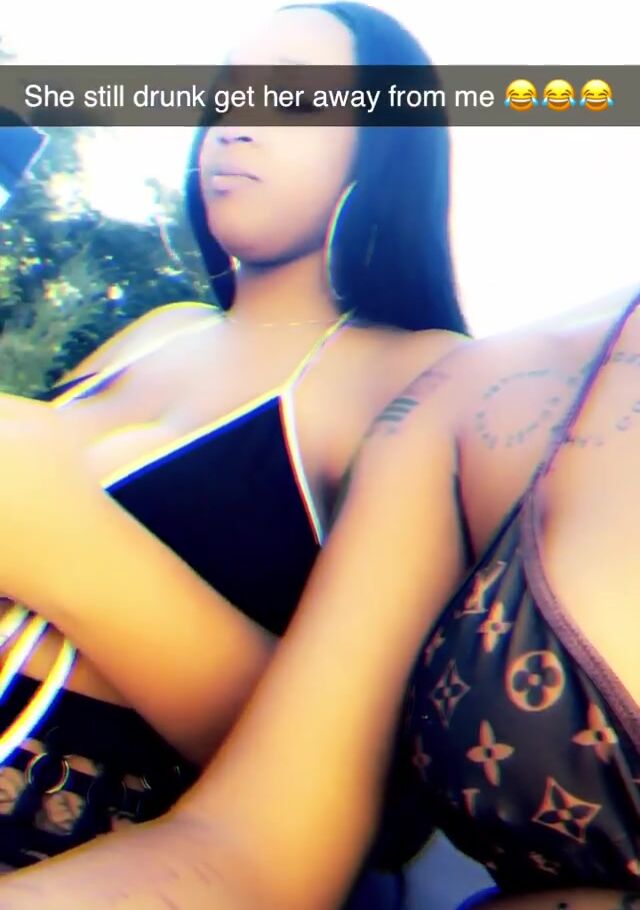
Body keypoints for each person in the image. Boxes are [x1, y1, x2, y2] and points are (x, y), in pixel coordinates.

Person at [0, 1, 466, 901]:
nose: (236, 122)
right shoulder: (159, 330)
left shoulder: (419, 376)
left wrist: (68, 553)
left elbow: (379, 794)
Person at [0, 282, 638, 909]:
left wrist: (78, 560)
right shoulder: (474, 392)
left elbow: (368, 810)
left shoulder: (412, 373)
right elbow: (251, 847)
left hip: (70, 797)